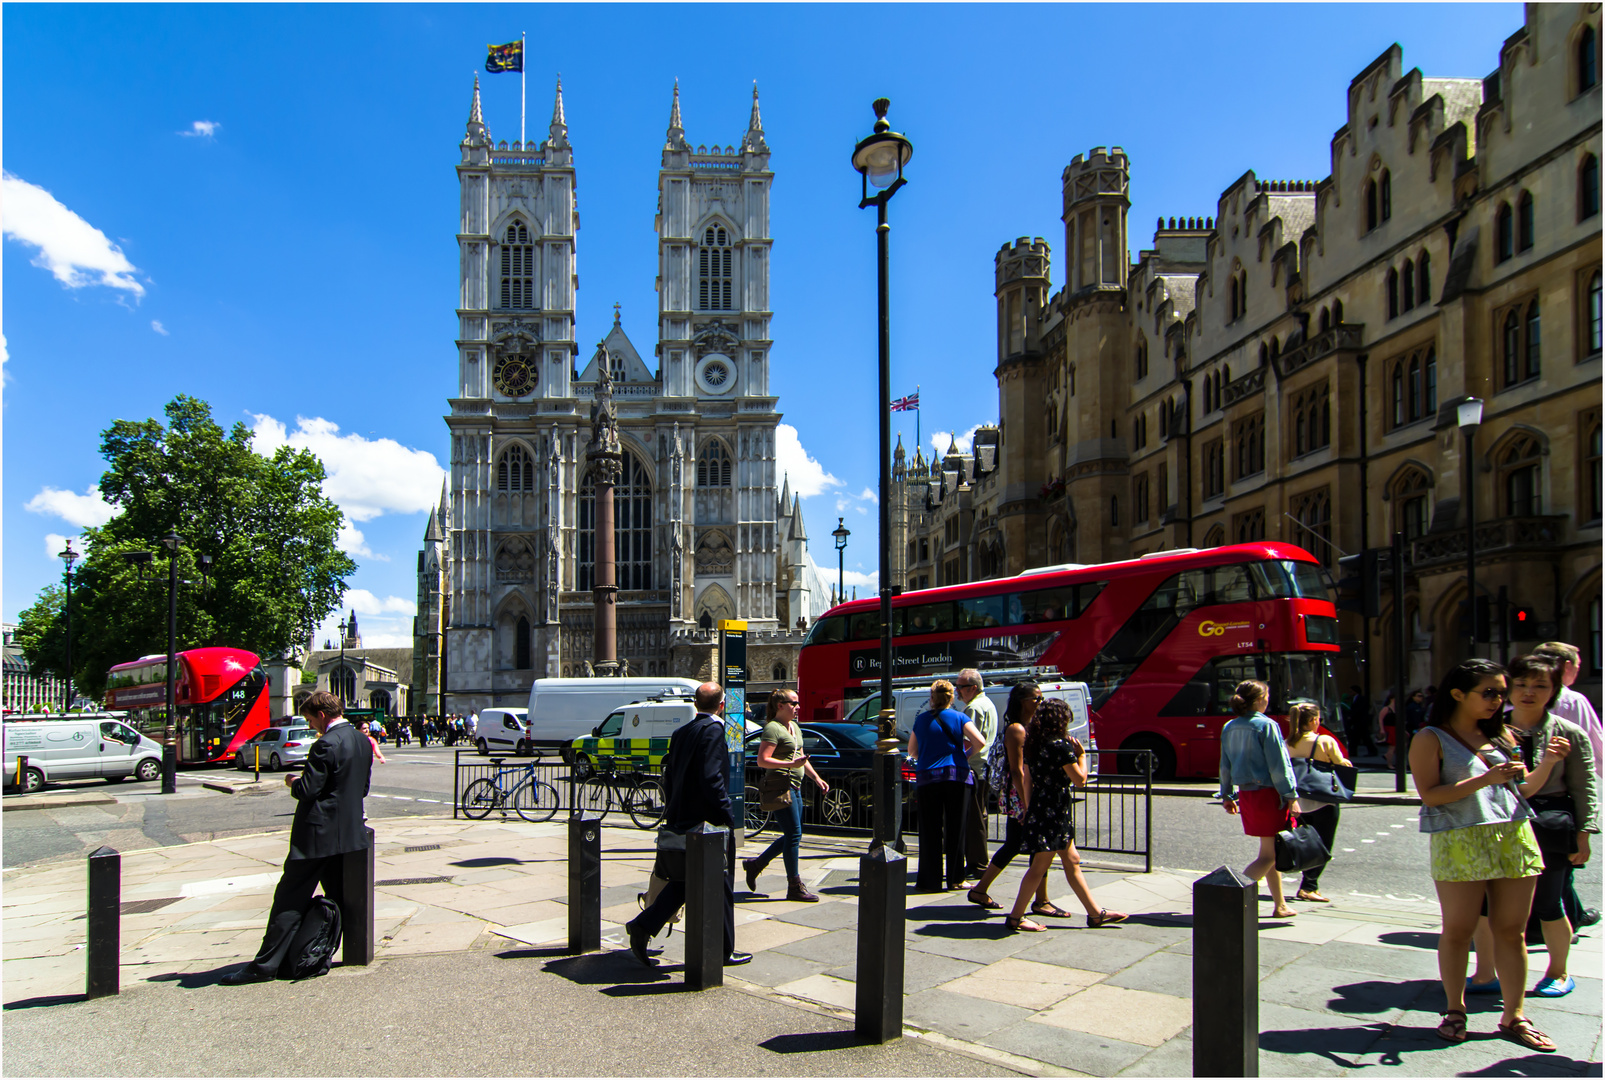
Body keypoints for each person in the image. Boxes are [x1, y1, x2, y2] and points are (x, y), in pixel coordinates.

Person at [1408, 658, 1551, 1052]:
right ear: (1458, 694)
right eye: (1488, 692)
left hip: (1513, 835)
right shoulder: (1431, 738)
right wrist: (1485, 779)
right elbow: (1430, 796)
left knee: (1512, 931)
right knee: (1458, 930)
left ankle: (1514, 1015)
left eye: (1501, 693)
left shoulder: (1503, 735)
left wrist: (1549, 762)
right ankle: (1455, 1011)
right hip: (1459, 840)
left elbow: (1521, 792)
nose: (1498, 700)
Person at [221, 691, 373, 984]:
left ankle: (264, 966)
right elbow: (361, 788)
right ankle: (320, 954)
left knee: (289, 898)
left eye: (310, 719)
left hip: (316, 836)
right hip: (350, 834)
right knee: (340, 898)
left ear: (322, 715)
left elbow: (308, 791)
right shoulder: (361, 740)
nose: (311, 725)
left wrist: (293, 781)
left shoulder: (325, 744)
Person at [625, 682, 752, 968]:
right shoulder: (715, 731)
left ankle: (642, 926)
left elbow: (669, 776)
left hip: (682, 818)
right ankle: (723, 950)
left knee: (684, 881)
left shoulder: (681, 732)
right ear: (721, 705)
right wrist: (727, 815)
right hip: (708, 824)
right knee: (721, 887)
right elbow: (711, 778)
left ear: (696, 704)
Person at [1502, 653, 1596, 997]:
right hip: (1498, 822)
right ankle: (1486, 974)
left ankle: (1558, 971)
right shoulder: (1491, 727)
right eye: (1521, 683)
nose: (1528, 691)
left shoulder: (1568, 732)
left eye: (1540, 685)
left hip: (1549, 821)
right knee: (1490, 905)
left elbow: (1584, 786)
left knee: (1548, 902)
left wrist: (1585, 834)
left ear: (1554, 690)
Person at [1001, 697, 1126, 932]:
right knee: (1039, 866)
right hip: (1055, 812)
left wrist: (1027, 809)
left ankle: (1095, 913)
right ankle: (1016, 917)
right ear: (1061, 720)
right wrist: (1081, 755)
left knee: (1072, 861)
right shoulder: (1061, 745)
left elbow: (1027, 780)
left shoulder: (1034, 743)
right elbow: (1080, 780)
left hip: (1041, 809)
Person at [968, 682, 1062, 915]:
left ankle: (1038, 898)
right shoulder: (1017, 729)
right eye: (1036, 699)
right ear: (1022, 701)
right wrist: (1026, 804)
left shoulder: (1033, 727)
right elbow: (1017, 770)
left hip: (1030, 793)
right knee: (1020, 845)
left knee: (1030, 846)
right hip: (1022, 795)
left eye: (1041, 698)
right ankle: (1037, 900)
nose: (1040, 703)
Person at [1534, 642, 1602, 929]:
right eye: (1576, 664)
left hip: (1527, 792)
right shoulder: (1573, 700)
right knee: (1562, 861)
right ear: (1565, 666)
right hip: (1562, 791)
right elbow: (1594, 746)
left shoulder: (1518, 699)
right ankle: (1563, 920)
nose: (1578, 669)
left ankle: (1569, 914)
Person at [1218, 679, 1299, 919]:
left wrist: (1227, 794)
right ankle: (1228, 897)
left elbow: (1225, 766)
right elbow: (1279, 767)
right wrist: (1291, 796)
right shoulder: (1267, 726)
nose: (1268, 700)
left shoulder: (1230, 727)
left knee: (1271, 850)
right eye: (1266, 696)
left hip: (1247, 794)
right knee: (1268, 855)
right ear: (1258, 700)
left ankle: (1280, 905)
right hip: (1269, 794)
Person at [743, 687, 829, 902]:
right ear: (780, 706)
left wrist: (816, 778)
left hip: (796, 786)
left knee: (794, 834)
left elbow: (801, 756)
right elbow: (762, 759)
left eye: (798, 703)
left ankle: (756, 865)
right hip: (781, 786)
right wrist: (791, 764)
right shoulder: (773, 728)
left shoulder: (794, 727)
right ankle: (794, 885)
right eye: (793, 703)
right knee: (793, 835)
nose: (798, 707)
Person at [908, 679, 983, 892]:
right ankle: (956, 878)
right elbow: (980, 742)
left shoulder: (921, 720)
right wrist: (964, 755)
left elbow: (912, 751)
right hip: (956, 776)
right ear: (951, 698)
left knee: (930, 829)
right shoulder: (960, 717)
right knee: (956, 828)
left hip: (927, 779)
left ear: (932, 698)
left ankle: (929, 880)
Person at [1283, 702, 1352, 904]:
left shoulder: (1287, 743)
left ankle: (1307, 883)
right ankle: (1309, 886)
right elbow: (1342, 764)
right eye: (1318, 718)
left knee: (1306, 842)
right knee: (1324, 846)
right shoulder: (1325, 741)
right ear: (1313, 720)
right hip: (1323, 800)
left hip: (1298, 802)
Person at [956, 668, 999, 880]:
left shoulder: (972, 709)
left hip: (974, 767)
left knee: (974, 818)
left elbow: (968, 743)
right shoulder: (988, 704)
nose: (957, 691)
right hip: (985, 766)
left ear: (973, 688)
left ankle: (978, 864)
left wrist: (960, 759)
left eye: (961, 687)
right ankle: (980, 862)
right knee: (979, 816)